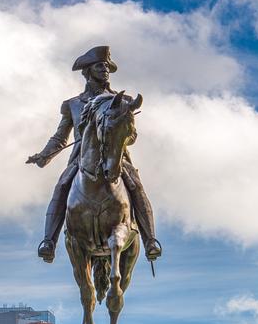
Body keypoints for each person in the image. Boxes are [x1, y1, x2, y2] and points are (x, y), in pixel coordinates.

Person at [26, 45, 160, 264]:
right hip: (81, 158)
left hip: (115, 156)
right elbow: (61, 137)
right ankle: (49, 241)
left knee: (136, 187)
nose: (105, 70)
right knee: (61, 186)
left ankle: (150, 240)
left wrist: (120, 136)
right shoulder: (72, 105)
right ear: (88, 71)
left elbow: (132, 136)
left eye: (107, 67)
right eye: (100, 66)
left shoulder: (121, 102)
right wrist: (44, 155)